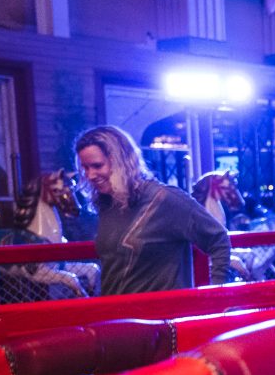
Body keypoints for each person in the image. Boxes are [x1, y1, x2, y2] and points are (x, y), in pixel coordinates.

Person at [75, 125, 232, 295]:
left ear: (121, 161)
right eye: (85, 168)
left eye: (97, 166)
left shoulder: (165, 199)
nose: (90, 175)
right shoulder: (108, 203)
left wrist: (216, 295)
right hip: (116, 309)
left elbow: (219, 239)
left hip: (161, 310)